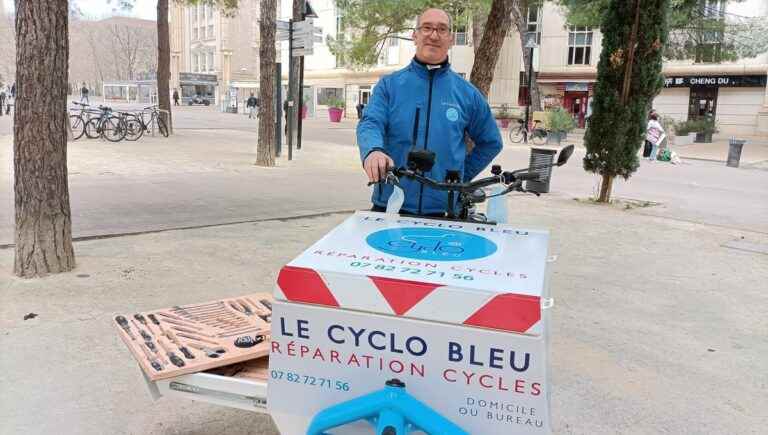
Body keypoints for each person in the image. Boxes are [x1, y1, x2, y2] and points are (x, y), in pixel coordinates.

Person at [356, 8, 502, 216]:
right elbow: (371, 123)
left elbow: (491, 142)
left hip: (445, 210)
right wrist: (373, 150)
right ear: (414, 35)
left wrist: (460, 176)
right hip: (390, 205)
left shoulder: (467, 94)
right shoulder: (389, 86)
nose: (434, 35)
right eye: (427, 28)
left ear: (451, 38)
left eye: (442, 29)